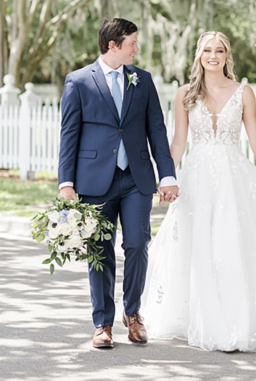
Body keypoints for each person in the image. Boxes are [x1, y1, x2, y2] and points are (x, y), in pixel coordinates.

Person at [140, 31, 256, 352]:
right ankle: (202, 317)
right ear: (199, 55)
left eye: (219, 50)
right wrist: (166, 178)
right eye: (207, 50)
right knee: (198, 245)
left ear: (226, 56)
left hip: (232, 177)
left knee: (229, 243)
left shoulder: (243, 92)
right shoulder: (185, 94)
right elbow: (179, 142)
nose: (213, 55)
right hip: (196, 178)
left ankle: (234, 322)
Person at [58, 18, 179, 349]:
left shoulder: (143, 80)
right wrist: (66, 182)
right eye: (132, 43)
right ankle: (102, 323)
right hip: (93, 180)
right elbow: (69, 134)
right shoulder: (79, 81)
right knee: (100, 249)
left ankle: (133, 313)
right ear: (113, 45)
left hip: (137, 177)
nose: (137, 49)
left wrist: (167, 174)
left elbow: (157, 129)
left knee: (138, 243)